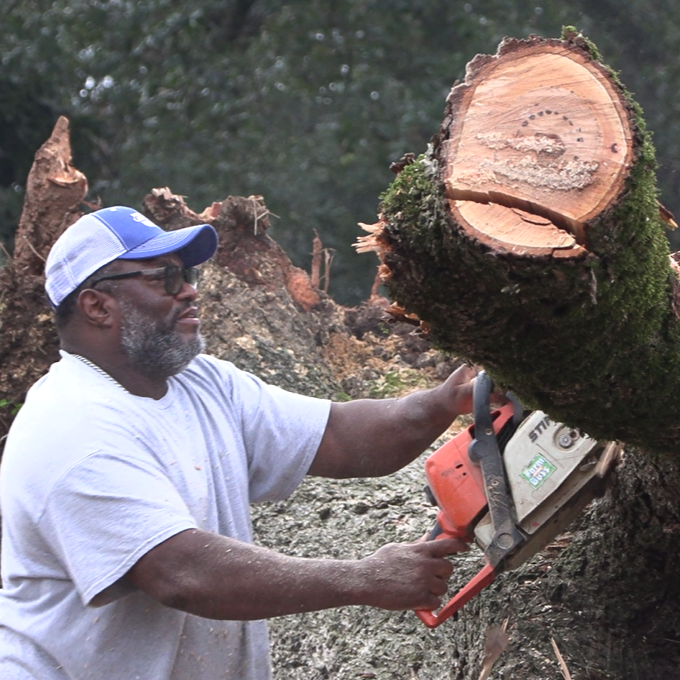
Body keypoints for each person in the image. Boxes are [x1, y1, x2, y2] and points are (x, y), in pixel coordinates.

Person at [0, 206, 476, 680]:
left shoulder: (200, 383)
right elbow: (183, 574)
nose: (188, 290)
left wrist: (442, 401)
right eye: (164, 278)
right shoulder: (73, 427)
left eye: (185, 274)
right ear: (97, 306)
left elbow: (339, 436)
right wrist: (365, 578)